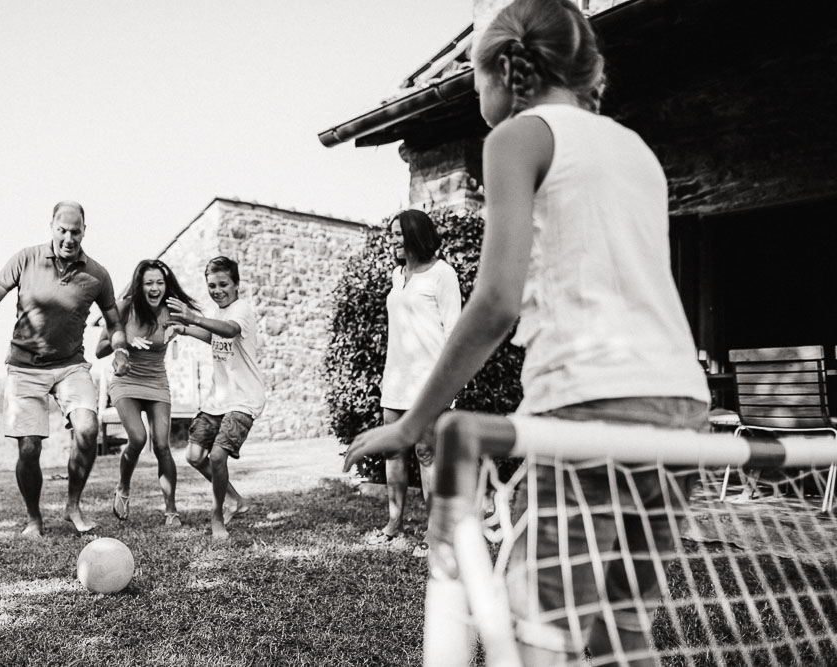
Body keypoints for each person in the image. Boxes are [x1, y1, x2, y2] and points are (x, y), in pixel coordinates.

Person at [343, 0, 711, 663]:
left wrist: (409, 422)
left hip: (589, 404)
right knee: (622, 629)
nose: (472, 92)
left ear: (505, 73)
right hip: (682, 408)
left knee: (542, 628)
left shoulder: (517, 136)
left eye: (473, 79)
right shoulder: (637, 152)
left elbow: (494, 304)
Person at [0, 201, 130, 539]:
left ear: (85, 230)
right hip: (24, 368)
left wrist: (121, 348)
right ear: (52, 226)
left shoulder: (97, 274)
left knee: (87, 428)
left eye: (76, 231)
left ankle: (73, 506)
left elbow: (114, 319)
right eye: (62, 230)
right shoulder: (25, 259)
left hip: (70, 366)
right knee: (29, 447)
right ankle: (34, 519)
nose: (69, 237)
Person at [365, 209, 461, 558]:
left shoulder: (442, 274)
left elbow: (454, 331)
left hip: (429, 379)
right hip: (397, 377)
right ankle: (394, 522)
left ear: (415, 235)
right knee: (393, 449)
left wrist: (450, 383)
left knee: (425, 452)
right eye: (390, 234)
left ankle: (435, 532)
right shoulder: (397, 274)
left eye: (397, 234)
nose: (391, 240)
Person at [166, 256, 265, 540]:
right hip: (218, 399)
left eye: (223, 284)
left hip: (244, 398)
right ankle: (235, 499)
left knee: (219, 455)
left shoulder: (241, 309)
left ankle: (217, 515)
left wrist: (193, 317)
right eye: (212, 285)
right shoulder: (217, 314)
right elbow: (216, 338)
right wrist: (184, 329)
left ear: (236, 284)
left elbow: (231, 330)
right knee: (195, 456)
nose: (217, 290)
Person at [96, 259, 200, 529]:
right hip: (126, 380)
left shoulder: (171, 311)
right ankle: (123, 486)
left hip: (156, 381)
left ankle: (171, 511)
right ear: (139, 286)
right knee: (138, 437)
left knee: (162, 445)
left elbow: (201, 330)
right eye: (149, 283)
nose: (155, 288)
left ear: (166, 286)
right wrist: (126, 341)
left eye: (160, 283)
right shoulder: (125, 308)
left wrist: (189, 321)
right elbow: (100, 350)